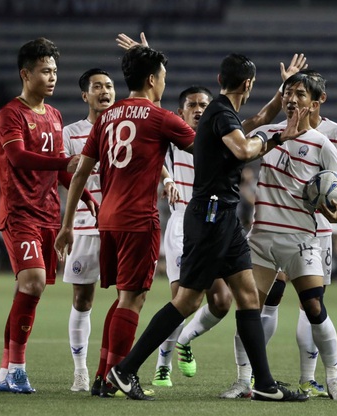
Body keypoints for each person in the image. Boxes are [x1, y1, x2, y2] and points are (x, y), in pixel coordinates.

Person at [105, 53, 309, 402]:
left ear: (219, 78)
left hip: (224, 218)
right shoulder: (218, 114)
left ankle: (263, 383)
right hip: (211, 217)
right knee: (186, 301)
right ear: (248, 84)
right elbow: (245, 150)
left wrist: (281, 91)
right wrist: (277, 139)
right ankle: (125, 370)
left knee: (247, 298)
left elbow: (258, 119)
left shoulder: (222, 114)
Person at [55, 45, 196, 399]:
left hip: (107, 218)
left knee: (122, 300)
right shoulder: (160, 117)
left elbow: (79, 175)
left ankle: (104, 375)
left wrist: (67, 225)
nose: (164, 83)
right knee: (133, 300)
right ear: (152, 80)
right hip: (138, 219)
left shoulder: (106, 117)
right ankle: (119, 375)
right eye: (162, 76)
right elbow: (205, 147)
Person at [226, 69, 337, 399]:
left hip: (302, 239)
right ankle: (243, 379)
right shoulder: (267, 134)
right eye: (287, 94)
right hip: (262, 236)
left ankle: (334, 378)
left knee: (313, 306)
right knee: (249, 306)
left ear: (314, 103)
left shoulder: (323, 144)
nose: (292, 100)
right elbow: (238, 140)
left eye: (299, 94)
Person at [0, 38, 94, 394]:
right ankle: (18, 369)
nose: (52, 77)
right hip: (19, 213)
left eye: (54, 70)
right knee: (33, 282)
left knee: (28, 289)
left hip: (49, 213)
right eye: (45, 71)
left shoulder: (53, 116)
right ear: (26, 74)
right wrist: (63, 162)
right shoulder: (10, 114)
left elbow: (60, 172)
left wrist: (84, 196)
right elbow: (18, 158)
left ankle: (6, 372)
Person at [150, 85, 232, 386]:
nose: (198, 110)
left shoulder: (224, 138)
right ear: (180, 112)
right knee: (181, 300)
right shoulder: (174, 137)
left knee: (222, 300)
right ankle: (163, 365)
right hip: (184, 222)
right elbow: (152, 126)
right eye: (192, 105)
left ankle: (184, 340)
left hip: (215, 223)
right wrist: (168, 178)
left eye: (204, 105)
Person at [62, 68, 116, 392]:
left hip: (119, 222)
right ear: (86, 95)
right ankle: (80, 370)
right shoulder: (72, 132)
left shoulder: (125, 128)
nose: (105, 91)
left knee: (129, 296)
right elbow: (65, 169)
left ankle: (112, 368)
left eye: (109, 86)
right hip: (84, 223)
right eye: (97, 86)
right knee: (83, 299)